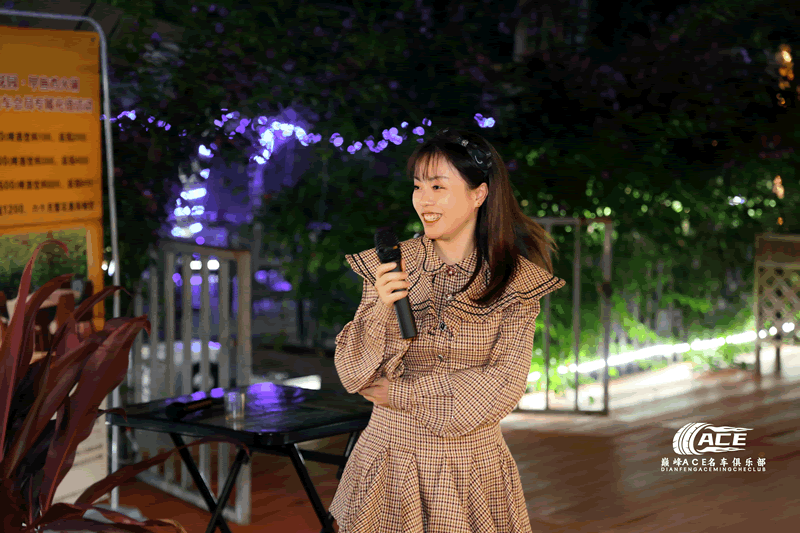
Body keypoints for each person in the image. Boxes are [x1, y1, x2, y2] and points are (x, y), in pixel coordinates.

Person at [329, 128, 566, 532]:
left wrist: (402, 393)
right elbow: (354, 375)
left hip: (472, 469)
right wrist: (383, 308)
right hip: (389, 462)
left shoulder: (516, 283)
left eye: (438, 186)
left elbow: (503, 385)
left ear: (479, 194)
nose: (424, 199)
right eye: (418, 186)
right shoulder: (389, 265)